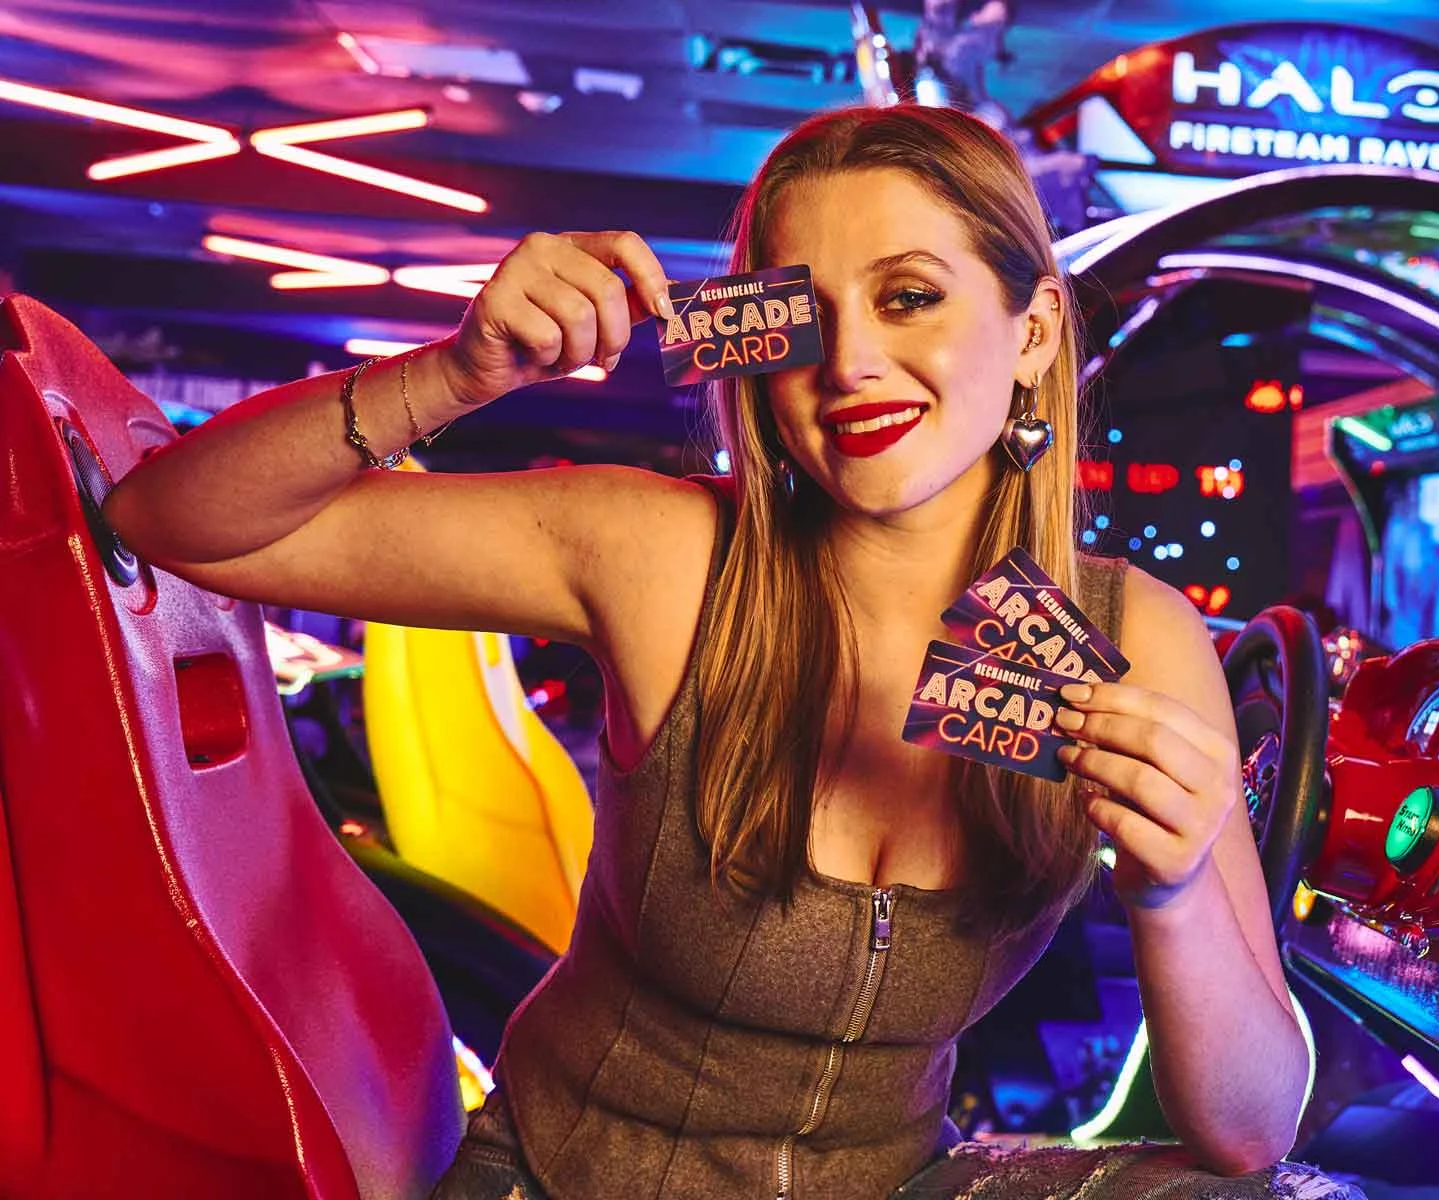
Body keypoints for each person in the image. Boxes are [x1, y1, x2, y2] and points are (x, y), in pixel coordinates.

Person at [103, 105, 1355, 1200]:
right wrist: (452, 375)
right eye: (803, 316)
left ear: (1031, 335)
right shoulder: (661, 552)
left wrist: (1175, 892)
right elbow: (167, 523)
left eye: (909, 295)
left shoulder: (1132, 636)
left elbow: (1251, 1132)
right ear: (752, 345)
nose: (854, 360)